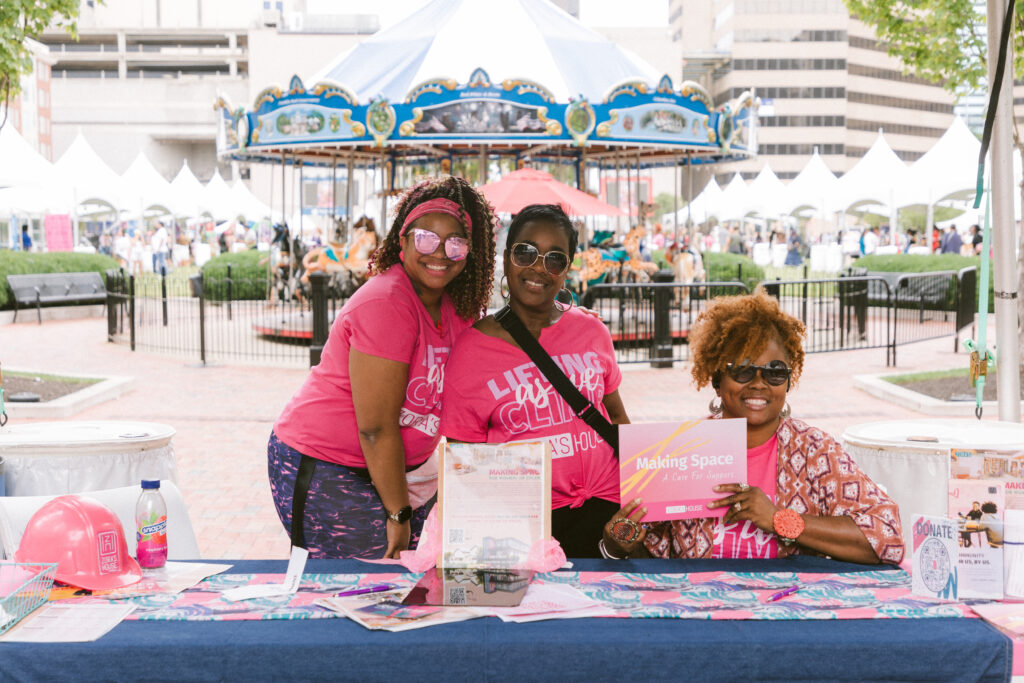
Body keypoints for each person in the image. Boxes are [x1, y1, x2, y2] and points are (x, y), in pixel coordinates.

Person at [267, 176, 496, 559]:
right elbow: (375, 428)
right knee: (370, 585)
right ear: (402, 240)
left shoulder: (456, 307)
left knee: (405, 582)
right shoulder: (387, 303)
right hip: (328, 466)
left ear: (470, 251)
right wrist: (398, 512)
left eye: (455, 242)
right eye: (425, 237)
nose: (439, 252)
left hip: (391, 473)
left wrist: (564, 316)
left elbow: (496, 344)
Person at [601, 288, 904, 564]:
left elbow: (886, 537)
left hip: (788, 610)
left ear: (788, 381)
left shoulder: (815, 451)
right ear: (718, 381)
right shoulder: (679, 451)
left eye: (774, 372)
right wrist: (617, 546)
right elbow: (652, 562)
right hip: (701, 611)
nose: (759, 384)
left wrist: (780, 519)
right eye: (743, 371)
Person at [441, 204, 630, 558]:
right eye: (526, 252)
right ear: (507, 255)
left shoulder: (591, 330)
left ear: (567, 269)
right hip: (527, 524)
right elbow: (463, 462)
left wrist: (635, 506)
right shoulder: (472, 351)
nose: (539, 268)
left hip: (610, 509)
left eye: (554, 259)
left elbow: (617, 419)